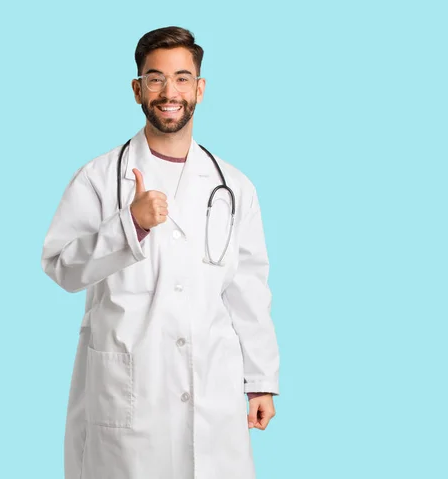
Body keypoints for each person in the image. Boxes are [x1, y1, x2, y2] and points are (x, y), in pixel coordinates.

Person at [40, 26, 280, 479]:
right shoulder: (99, 178)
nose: (169, 92)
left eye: (182, 78)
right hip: (130, 393)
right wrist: (128, 225)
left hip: (213, 391)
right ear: (137, 89)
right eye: (155, 78)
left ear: (200, 89)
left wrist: (261, 382)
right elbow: (60, 266)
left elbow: (248, 289)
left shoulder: (234, 187)